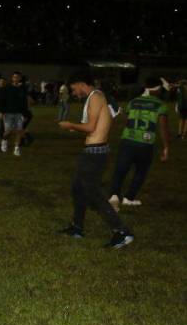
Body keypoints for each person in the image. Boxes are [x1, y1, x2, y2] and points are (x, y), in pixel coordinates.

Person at [57, 72, 134, 249]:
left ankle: (122, 232)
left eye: (73, 89)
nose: (74, 93)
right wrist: (77, 128)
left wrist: (70, 125)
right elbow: (103, 121)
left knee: (92, 193)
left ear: (80, 83)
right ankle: (77, 228)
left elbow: (91, 127)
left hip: (95, 152)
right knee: (77, 188)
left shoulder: (95, 97)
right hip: (94, 150)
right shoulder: (97, 96)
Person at [108, 77, 170, 209]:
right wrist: (166, 147)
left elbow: (127, 118)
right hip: (145, 143)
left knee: (121, 169)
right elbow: (163, 128)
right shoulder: (160, 105)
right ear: (158, 89)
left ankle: (113, 195)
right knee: (141, 171)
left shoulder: (133, 101)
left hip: (128, 139)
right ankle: (129, 198)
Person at [0, 71, 28, 156]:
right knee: (8, 131)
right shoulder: (7, 88)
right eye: (14, 77)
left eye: (18, 77)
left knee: (19, 131)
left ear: (20, 78)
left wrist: (25, 114)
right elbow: (2, 100)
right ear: (12, 78)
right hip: (8, 113)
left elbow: (24, 102)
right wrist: (1, 111)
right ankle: (4, 141)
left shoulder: (22, 89)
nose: (16, 79)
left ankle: (16, 148)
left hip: (19, 113)